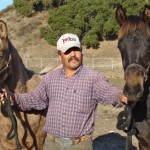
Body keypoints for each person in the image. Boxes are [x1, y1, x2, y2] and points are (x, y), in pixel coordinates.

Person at [0, 33, 127, 150]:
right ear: (60, 57)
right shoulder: (50, 78)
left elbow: (109, 91)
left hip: (79, 145)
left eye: (76, 50)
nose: (73, 55)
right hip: (51, 144)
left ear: (81, 53)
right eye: (67, 51)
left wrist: (122, 96)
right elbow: (34, 99)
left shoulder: (93, 78)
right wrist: (13, 98)